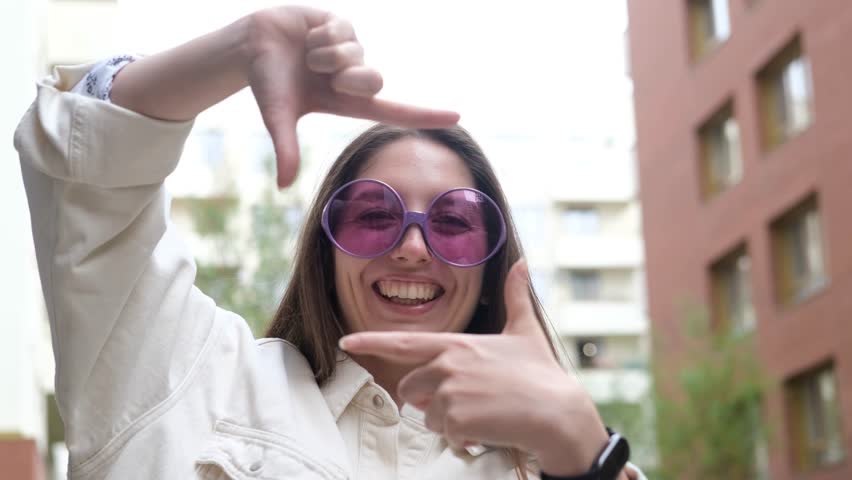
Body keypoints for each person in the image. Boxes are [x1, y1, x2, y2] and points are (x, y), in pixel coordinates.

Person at [15, 6, 644, 480]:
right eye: (375, 215)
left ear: (491, 263)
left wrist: (582, 446)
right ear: (326, 247)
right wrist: (238, 49)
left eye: (454, 222)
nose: (414, 248)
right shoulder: (188, 379)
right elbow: (83, 174)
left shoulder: (551, 458)